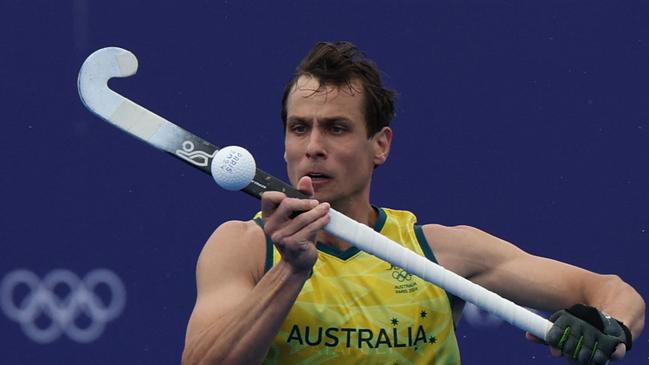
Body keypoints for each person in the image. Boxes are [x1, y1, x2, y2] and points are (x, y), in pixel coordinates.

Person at [181, 41, 645, 365]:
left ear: (380, 145)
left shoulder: (443, 253)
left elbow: (611, 291)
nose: (313, 146)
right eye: (300, 128)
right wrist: (291, 271)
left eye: (336, 128)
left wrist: (610, 328)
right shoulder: (244, 247)